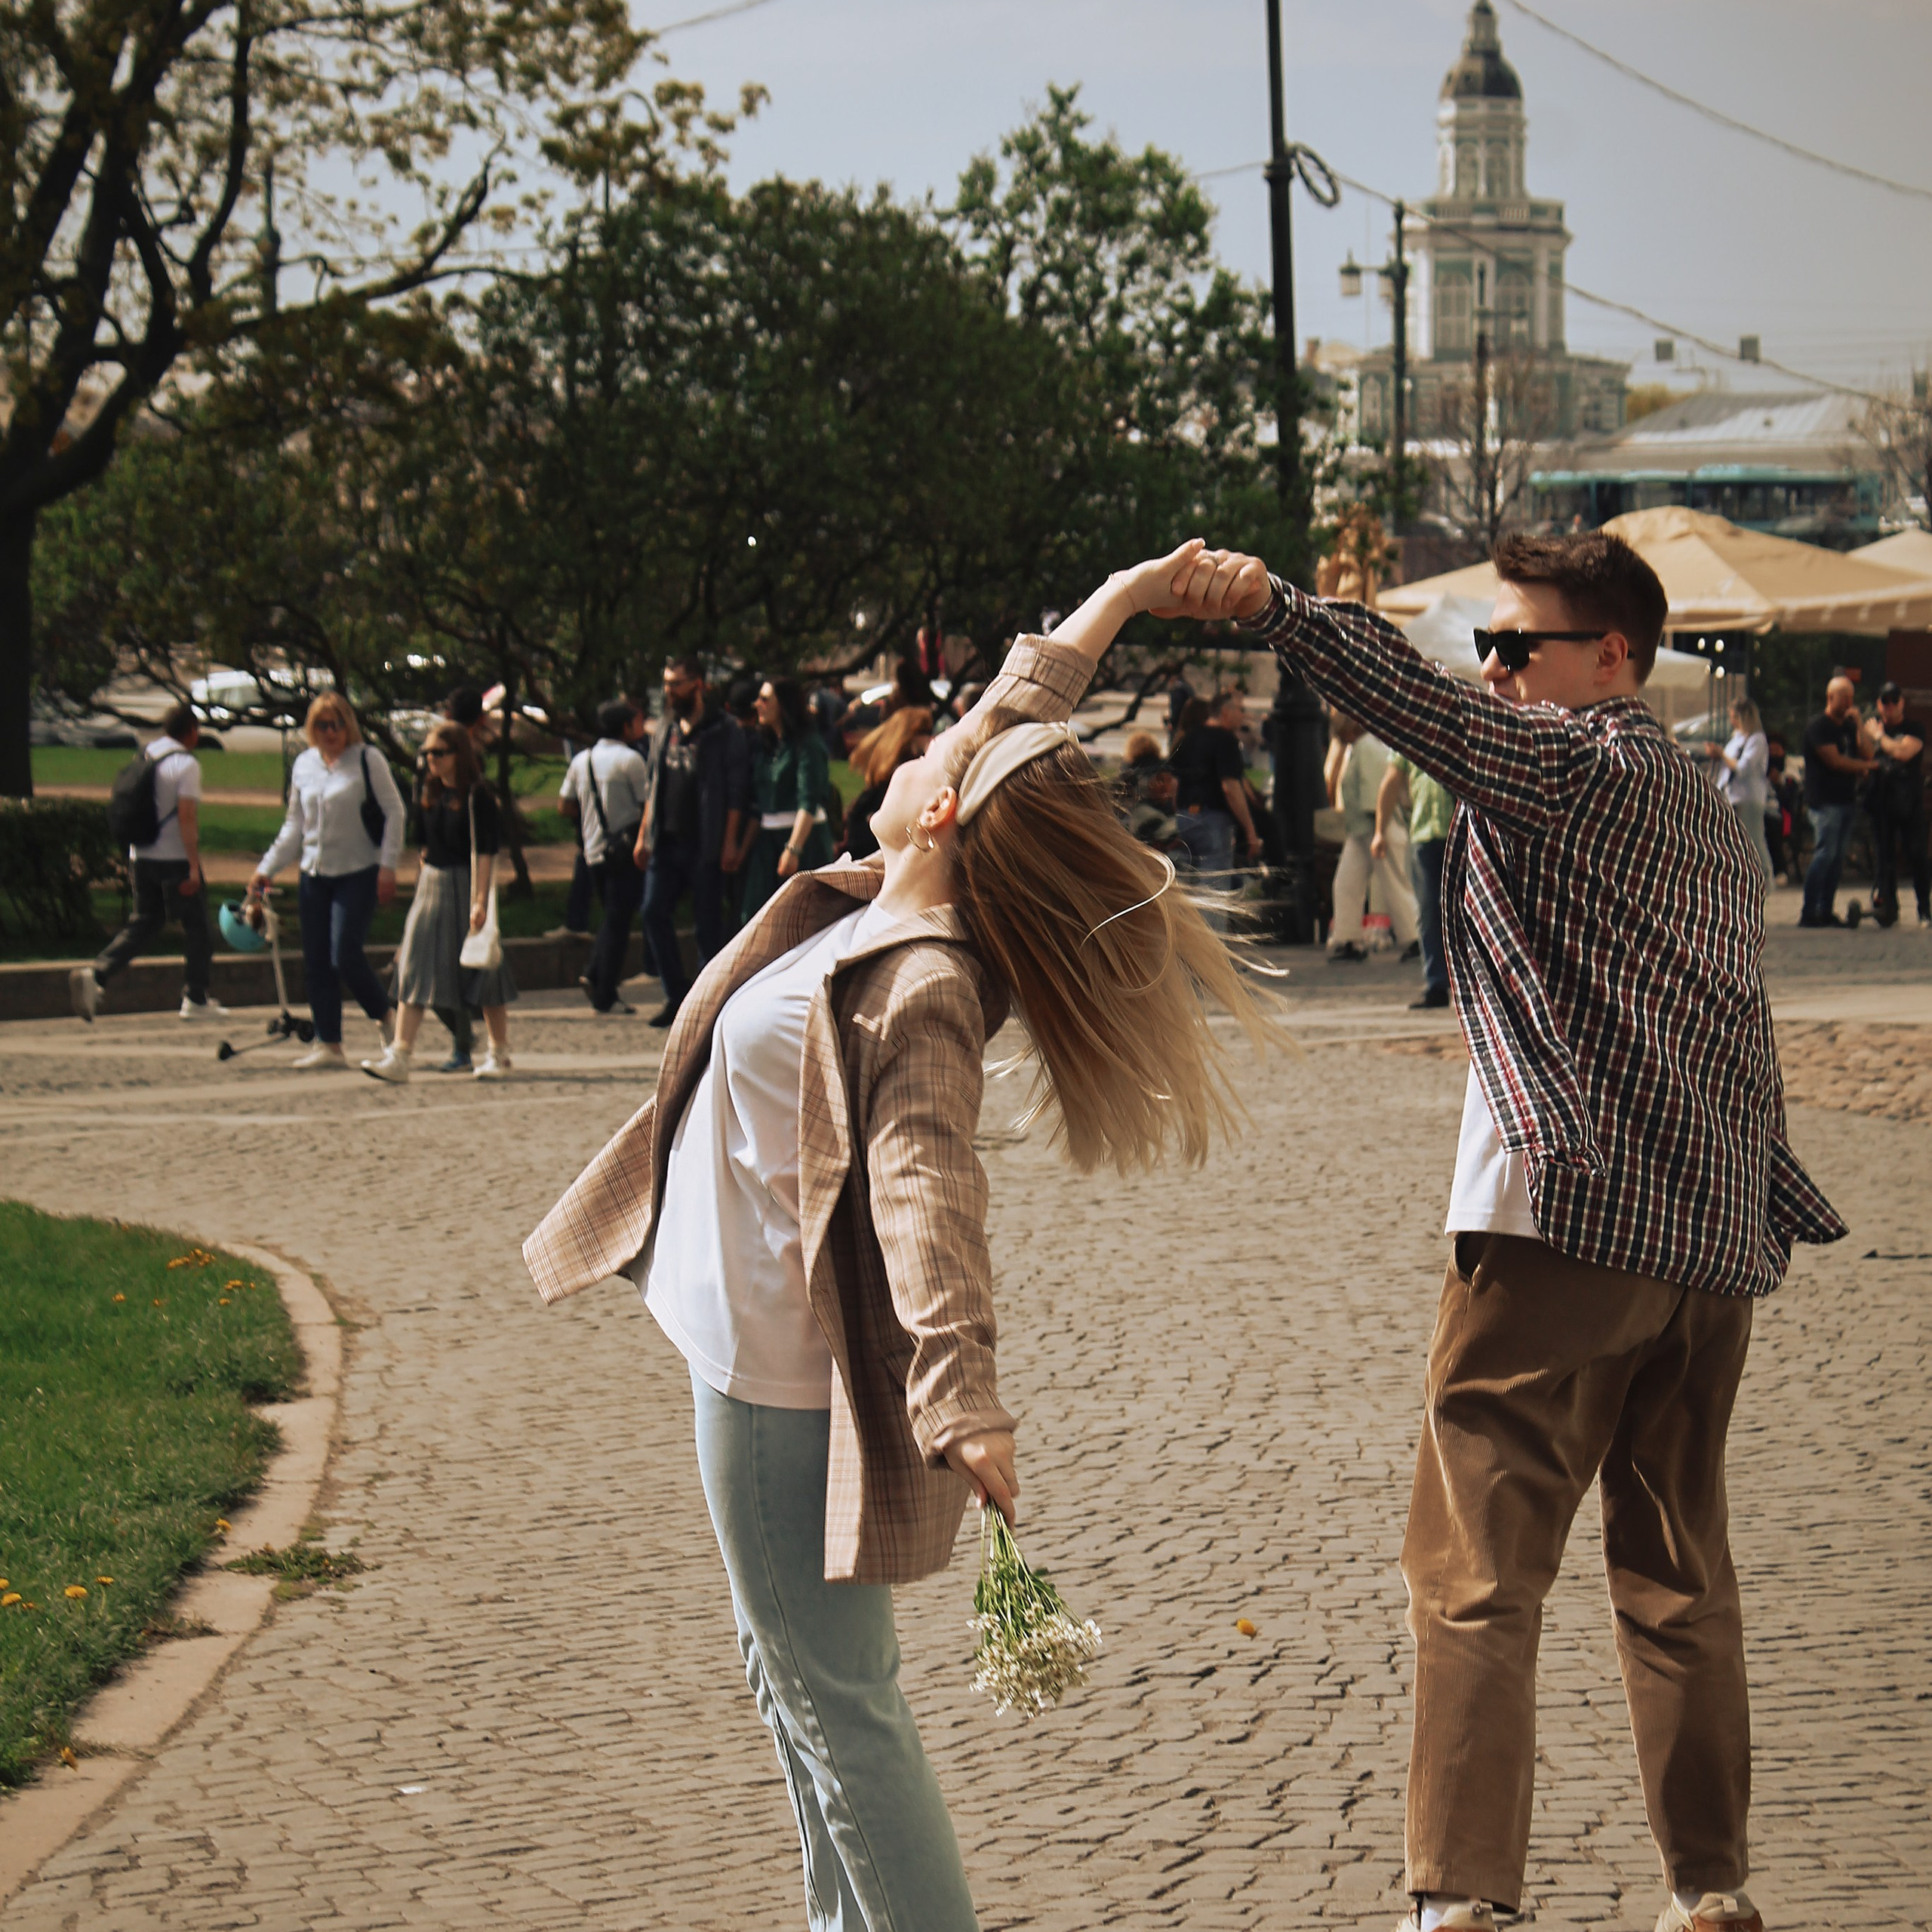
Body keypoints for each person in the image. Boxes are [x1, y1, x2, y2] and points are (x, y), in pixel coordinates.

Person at [521, 540, 1275, 1932]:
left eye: (934, 756)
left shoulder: (918, 980)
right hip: (734, 1339)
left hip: (774, 1380)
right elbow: (1021, 702)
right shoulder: (899, 886)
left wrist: (964, 1397)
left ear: (944, 819)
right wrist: (1137, 589)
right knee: (791, 1682)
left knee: (838, 1708)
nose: (922, 748)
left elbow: (929, 1194)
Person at [1212, 528, 1844, 1932]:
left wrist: (1274, 603)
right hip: (1709, 1236)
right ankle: (1712, 1890)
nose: (1489, 670)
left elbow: (1411, 706)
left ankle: (1462, 1902)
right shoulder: (1699, 805)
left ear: (1611, 656)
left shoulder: (1575, 765)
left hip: (1567, 1226)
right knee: (1679, 1568)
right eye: (1485, 646)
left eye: (1516, 647)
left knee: (1475, 1567)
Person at [249, 693, 405, 1069]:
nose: (331, 731)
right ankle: (329, 1042)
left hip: (358, 871)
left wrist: (388, 866)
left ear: (349, 725)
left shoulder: (368, 759)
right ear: (312, 729)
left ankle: (385, 1016)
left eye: (338, 723)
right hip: (315, 873)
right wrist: (266, 868)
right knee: (317, 960)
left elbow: (395, 812)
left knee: (344, 954)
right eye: (322, 725)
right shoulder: (304, 765)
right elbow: (294, 826)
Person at [362, 724, 518, 1084]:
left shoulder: (477, 795)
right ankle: (401, 1053)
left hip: (465, 884)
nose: (430, 759)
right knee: (415, 965)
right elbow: (424, 850)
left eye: (438, 753)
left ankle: (499, 1051)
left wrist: (479, 900)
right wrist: (419, 893)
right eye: (427, 753)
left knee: (484, 970)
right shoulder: (428, 792)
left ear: (458, 755)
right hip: (432, 884)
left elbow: (485, 851)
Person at [71, 702, 225, 1024]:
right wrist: (194, 867)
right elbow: (187, 818)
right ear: (192, 732)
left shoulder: (146, 754)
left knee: (146, 921)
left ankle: (97, 974)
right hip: (174, 860)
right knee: (199, 929)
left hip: (140, 855)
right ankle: (196, 997)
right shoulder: (185, 764)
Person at [641, 657, 754, 1029]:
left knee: (708, 925)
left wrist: (730, 841)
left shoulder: (724, 731)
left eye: (677, 683)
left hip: (705, 841)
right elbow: (654, 782)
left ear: (699, 684)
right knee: (653, 911)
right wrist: (645, 834)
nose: (670, 691)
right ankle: (676, 995)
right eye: (667, 683)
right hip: (667, 839)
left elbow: (737, 792)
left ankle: (707, 1006)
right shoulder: (666, 727)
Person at [560, 700, 652, 1015]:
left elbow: (565, 804)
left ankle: (596, 974)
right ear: (626, 727)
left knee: (612, 915)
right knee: (618, 920)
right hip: (624, 852)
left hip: (592, 850)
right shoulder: (631, 760)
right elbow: (647, 805)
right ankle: (604, 989)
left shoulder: (581, 761)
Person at [740, 677, 837, 921]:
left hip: (804, 841)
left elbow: (809, 799)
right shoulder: (768, 745)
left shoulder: (808, 744)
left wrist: (793, 849)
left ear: (783, 704)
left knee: (804, 920)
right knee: (755, 917)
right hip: (767, 842)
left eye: (765, 699)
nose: (757, 705)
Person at [1329, 718, 1417, 962]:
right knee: (1347, 883)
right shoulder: (1363, 746)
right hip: (1363, 829)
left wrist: (1378, 829)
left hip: (1377, 826)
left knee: (1394, 883)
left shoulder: (1366, 747)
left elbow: (1373, 790)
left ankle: (1415, 938)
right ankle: (1348, 938)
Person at [1171, 690, 1260, 914]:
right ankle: (1211, 942)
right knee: (1213, 889)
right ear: (1226, 713)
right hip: (1213, 820)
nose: (1243, 715)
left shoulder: (1189, 738)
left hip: (1185, 817)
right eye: (1240, 710)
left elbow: (1174, 783)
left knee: (1187, 886)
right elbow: (1230, 787)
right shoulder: (1226, 741)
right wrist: (1250, 829)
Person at [1378, 751, 1455, 1008]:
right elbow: (1392, 779)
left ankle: (1478, 985)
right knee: (1428, 910)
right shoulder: (1411, 729)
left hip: (1463, 830)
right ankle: (1436, 984)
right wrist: (1380, 831)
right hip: (1424, 832)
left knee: (1470, 910)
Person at [1798, 676, 1876, 928]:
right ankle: (1810, 910)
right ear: (1831, 697)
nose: (1850, 703)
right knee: (1825, 853)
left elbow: (1867, 752)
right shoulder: (1818, 727)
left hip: (1846, 800)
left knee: (1837, 858)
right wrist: (1867, 767)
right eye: (1845, 698)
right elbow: (1836, 761)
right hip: (1824, 802)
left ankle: (1826, 909)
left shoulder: (1848, 727)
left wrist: (1859, 726)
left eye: (1852, 698)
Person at [1861, 679, 1929, 928]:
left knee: (1917, 855)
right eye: (1885, 702)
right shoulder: (1874, 730)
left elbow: (1903, 752)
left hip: (1909, 803)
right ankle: (1889, 908)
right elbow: (1867, 756)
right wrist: (1863, 729)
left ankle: (1925, 910)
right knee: (1885, 858)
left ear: (1902, 703)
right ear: (1879, 705)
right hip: (1883, 803)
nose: (1889, 707)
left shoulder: (1914, 728)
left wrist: (1879, 737)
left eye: (1894, 701)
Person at [838, 706, 934, 862]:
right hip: (877, 847)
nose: (929, 737)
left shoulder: (890, 766)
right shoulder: (902, 770)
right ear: (911, 734)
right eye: (925, 732)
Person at [1706, 697, 1773, 886]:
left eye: (1734, 717)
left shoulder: (1757, 740)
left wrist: (1723, 755)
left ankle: (1766, 880)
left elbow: (1743, 767)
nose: (1732, 721)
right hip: (1732, 795)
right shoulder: (1737, 738)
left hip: (1749, 797)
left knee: (1754, 839)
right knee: (1735, 842)